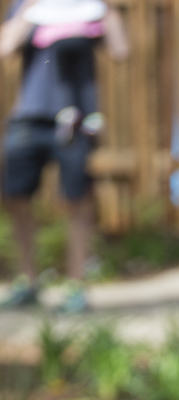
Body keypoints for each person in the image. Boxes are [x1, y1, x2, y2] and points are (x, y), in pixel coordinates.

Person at [0, 0, 128, 312]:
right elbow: (5, 48)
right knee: (14, 196)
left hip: (76, 119)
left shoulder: (90, 8)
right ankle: (28, 280)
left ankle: (76, 285)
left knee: (78, 199)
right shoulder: (26, 7)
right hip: (29, 118)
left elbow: (121, 50)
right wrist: (31, 9)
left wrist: (105, 10)